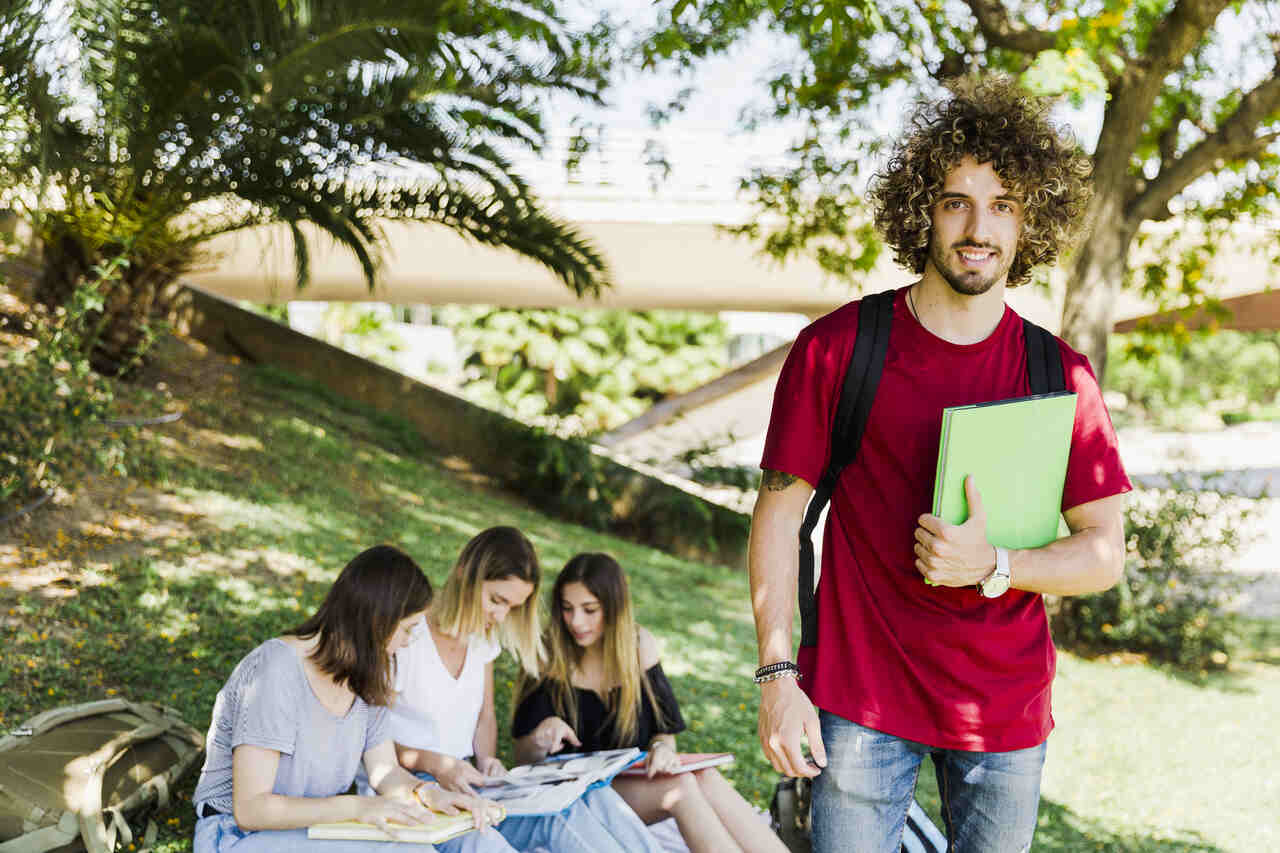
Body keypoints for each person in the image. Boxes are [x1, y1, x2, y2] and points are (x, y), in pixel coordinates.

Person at [749, 76, 1132, 853]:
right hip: (861, 700)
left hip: (1004, 709)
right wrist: (777, 676)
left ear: (1031, 223)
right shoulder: (838, 348)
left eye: (1004, 205)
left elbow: (1103, 553)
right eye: (957, 201)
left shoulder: (1061, 375)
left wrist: (994, 563)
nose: (978, 226)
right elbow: (779, 515)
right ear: (921, 208)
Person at [192, 544, 501, 853]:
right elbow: (252, 810)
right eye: (407, 631)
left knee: (474, 839)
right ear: (377, 622)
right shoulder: (276, 669)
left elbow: (386, 772)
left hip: (319, 829)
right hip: (237, 835)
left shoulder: (368, 678)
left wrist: (428, 793)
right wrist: (358, 808)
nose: (408, 644)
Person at [388, 526, 663, 853]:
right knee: (485, 841)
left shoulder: (481, 641)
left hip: (468, 781)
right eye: (496, 600)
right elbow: (369, 740)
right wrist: (435, 763)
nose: (501, 615)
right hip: (412, 786)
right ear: (465, 573)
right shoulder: (407, 635)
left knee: (574, 808)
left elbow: (484, 716)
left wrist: (487, 760)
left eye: (512, 607)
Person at [513, 552, 790, 853]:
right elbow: (523, 760)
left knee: (704, 776)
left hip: (628, 780)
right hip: (574, 794)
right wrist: (541, 737)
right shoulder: (548, 654)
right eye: (567, 609)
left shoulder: (637, 646)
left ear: (614, 608)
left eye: (589, 610)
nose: (576, 621)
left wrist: (661, 749)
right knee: (679, 788)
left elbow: (664, 731)